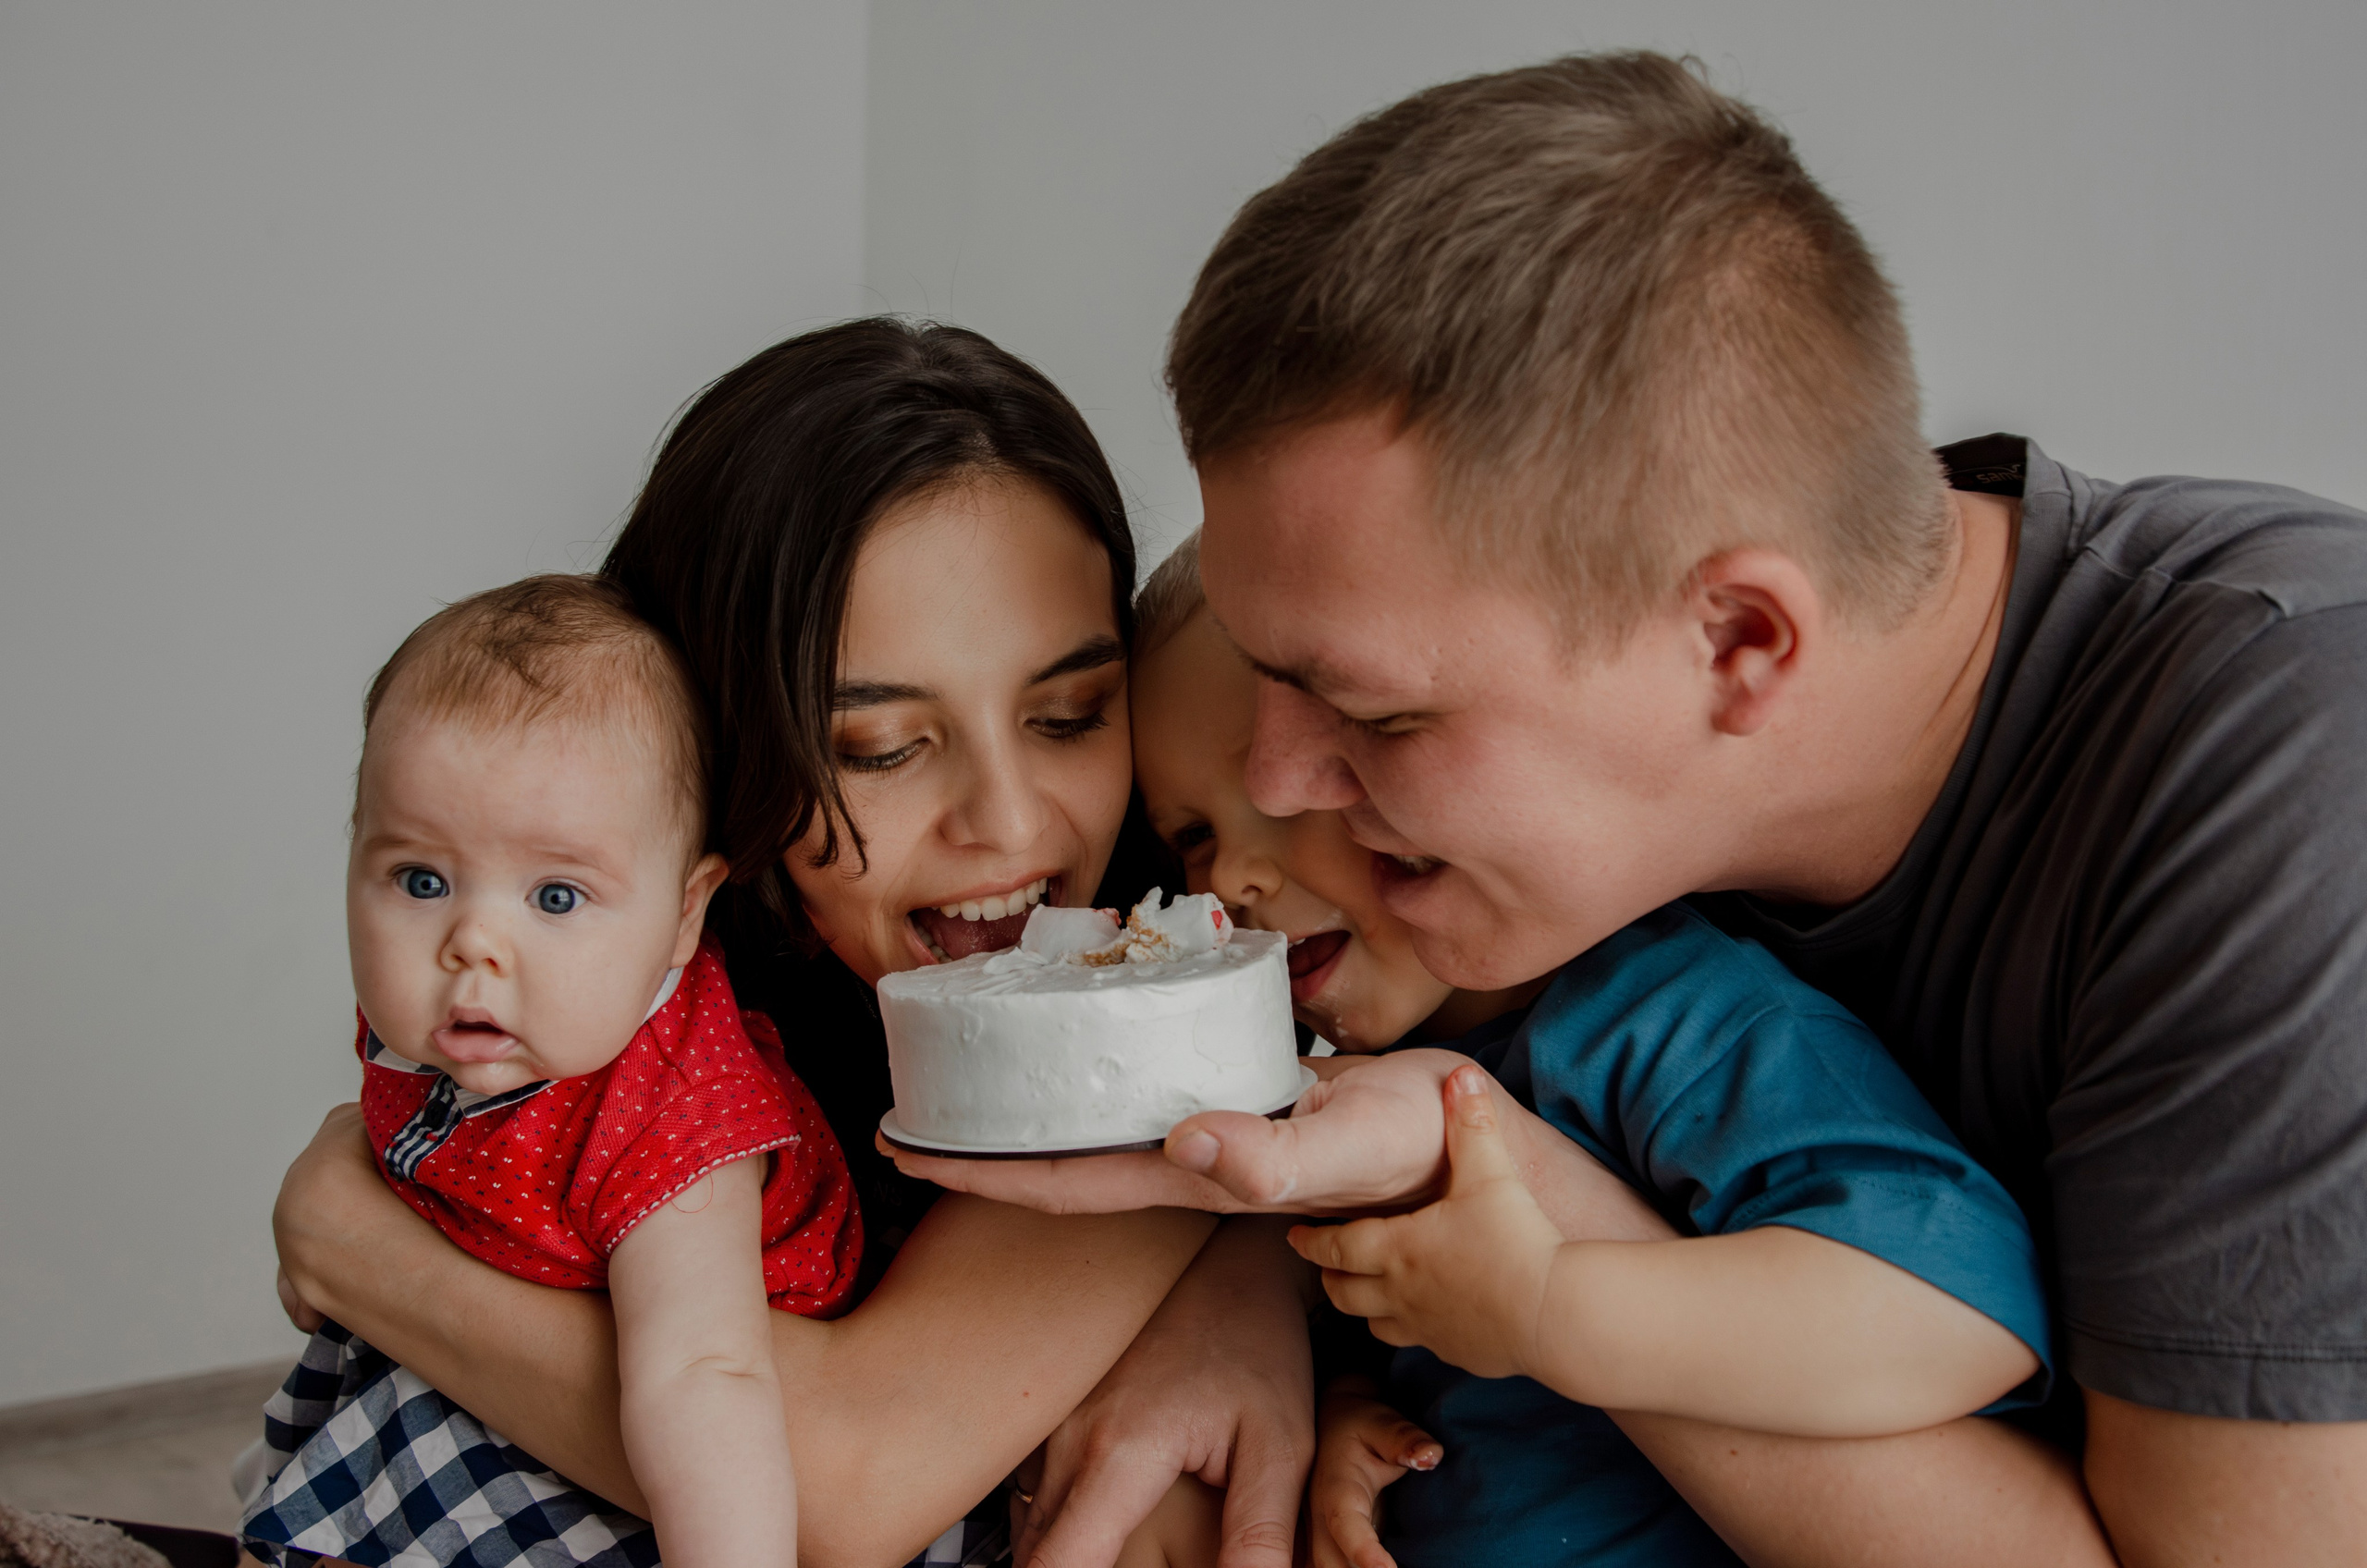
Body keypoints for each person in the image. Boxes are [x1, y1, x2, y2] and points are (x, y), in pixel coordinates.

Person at [902, 52, 2367, 1564]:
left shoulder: (2291, 779)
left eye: (1375, 712)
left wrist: (1510, 1220)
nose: (1280, 790)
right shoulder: (1597, 765)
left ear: (1740, 646)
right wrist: (1259, 1298)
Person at [266, 319, 1303, 1568]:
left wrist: (362, 1244)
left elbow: (845, 1492)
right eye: (880, 747)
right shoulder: (633, 974)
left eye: (1070, 714)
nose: (1014, 823)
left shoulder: (1158, 1010)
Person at [1122, 537, 2054, 1567]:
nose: (1235, 876)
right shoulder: (1330, 1099)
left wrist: (1549, 1305)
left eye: (1291, 800)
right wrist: (1346, 1404)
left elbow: (1959, 1310)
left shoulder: (1667, 1017)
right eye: (1192, 836)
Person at [243, 575, 853, 1567]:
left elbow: (704, 1375)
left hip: (676, 1454)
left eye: (558, 896)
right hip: (467, 1353)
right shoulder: (463, 1020)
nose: (474, 942)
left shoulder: (678, 1126)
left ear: (684, 913)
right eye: (422, 880)